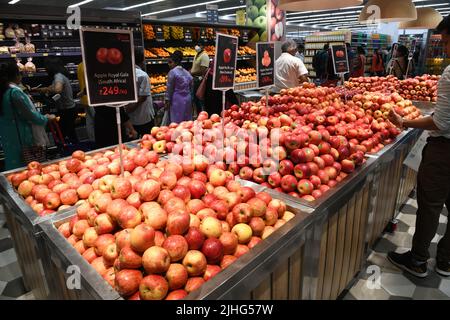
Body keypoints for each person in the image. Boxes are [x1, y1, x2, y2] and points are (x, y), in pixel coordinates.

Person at [387, 15, 450, 278]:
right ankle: (446, 261)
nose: (445, 48)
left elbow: (441, 123)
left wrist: (404, 121)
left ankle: (418, 260)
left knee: (431, 205)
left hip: (445, 151)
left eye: (446, 42)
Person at [0, 61, 53, 170]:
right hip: (22, 136)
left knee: (13, 169)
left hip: (7, 137)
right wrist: (46, 118)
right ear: (15, 75)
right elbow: (31, 116)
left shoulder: (2, 91)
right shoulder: (14, 93)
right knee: (26, 168)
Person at [35, 57, 78, 144]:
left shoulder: (58, 76)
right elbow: (53, 87)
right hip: (68, 109)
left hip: (67, 110)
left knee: (61, 134)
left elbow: (58, 89)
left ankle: (66, 151)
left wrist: (48, 90)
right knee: (70, 133)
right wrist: (44, 89)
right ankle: (75, 149)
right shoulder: (60, 76)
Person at [125, 47, 155, 137]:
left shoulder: (124, 73)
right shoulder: (143, 75)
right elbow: (143, 97)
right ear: (142, 60)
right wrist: (131, 108)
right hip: (143, 116)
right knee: (147, 139)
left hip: (130, 118)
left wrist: (128, 109)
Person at [165, 50, 193, 123]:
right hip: (187, 98)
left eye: (170, 62)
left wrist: (167, 100)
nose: (169, 64)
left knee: (176, 121)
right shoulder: (187, 72)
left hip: (177, 99)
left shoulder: (172, 72)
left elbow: (169, 88)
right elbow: (191, 85)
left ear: (176, 62)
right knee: (186, 121)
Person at [77, 62, 95, 144]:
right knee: (96, 122)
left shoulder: (80, 65)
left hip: (84, 99)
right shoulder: (90, 65)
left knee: (89, 122)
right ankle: (97, 142)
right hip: (92, 99)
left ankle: (92, 141)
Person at [190, 43, 210, 116]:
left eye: (199, 45)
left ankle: (203, 115)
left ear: (203, 46)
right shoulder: (197, 55)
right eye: (196, 44)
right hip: (195, 80)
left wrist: (192, 73)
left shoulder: (204, 56)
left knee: (200, 99)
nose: (197, 46)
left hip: (200, 80)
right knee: (196, 100)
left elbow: (203, 70)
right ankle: (199, 115)